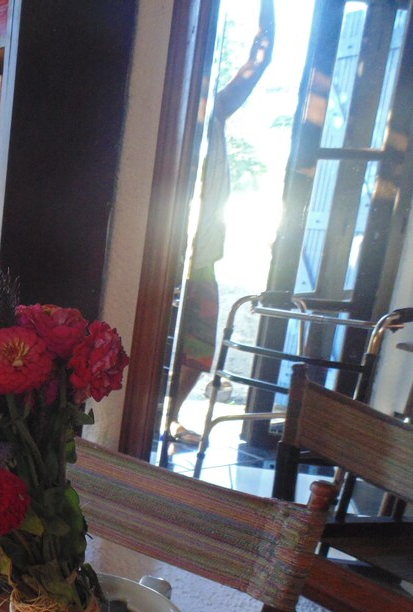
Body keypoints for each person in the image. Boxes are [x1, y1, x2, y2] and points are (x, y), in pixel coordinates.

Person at [168, 0, 274, 445]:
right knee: (157, 344)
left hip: (202, 256)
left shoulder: (214, 113)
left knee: (196, 350)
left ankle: (168, 418)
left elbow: (259, 62)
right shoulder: (168, 118)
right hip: (166, 255)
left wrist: (266, 24)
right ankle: (156, 418)